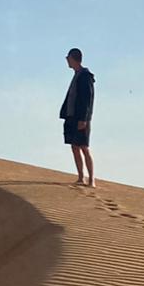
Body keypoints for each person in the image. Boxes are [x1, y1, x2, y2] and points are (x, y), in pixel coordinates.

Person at [60, 47, 96, 186]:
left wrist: (84, 119)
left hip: (81, 118)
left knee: (84, 147)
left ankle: (91, 179)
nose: (67, 61)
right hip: (72, 117)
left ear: (73, 58)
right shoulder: (77, 75)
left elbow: (88, 99)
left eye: (68, 58)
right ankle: (81, 177)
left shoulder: (85, 76)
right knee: (74, 146)